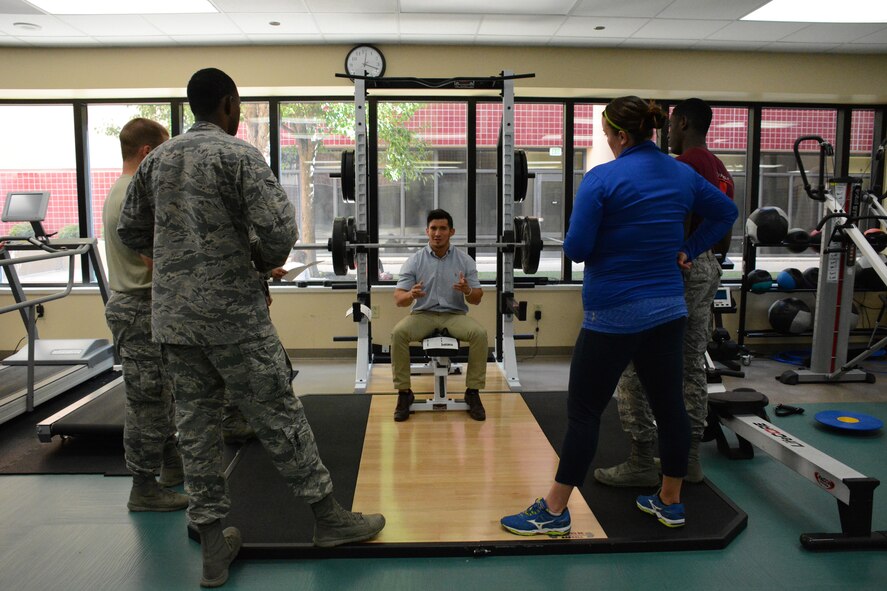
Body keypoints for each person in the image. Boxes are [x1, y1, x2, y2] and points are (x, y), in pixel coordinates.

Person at [117, 68, 384, 588]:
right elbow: (281, 230)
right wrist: (255, 259)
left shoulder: (159, 159)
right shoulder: (237, 156)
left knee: (195, 429)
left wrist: (178, 255)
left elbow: (130, 229)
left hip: (174, 323)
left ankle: (213, 546)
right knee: (280, 415)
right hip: (233, 317)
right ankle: (329, 520)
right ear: (229, 105)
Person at [500, 96, 737, 534]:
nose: (606, 142)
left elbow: (577, 250)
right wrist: (690, 247)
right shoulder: (681, 173)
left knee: (584, 413)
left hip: (612, 317)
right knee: (670, 407)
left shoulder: (602, 179)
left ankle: (553, 511)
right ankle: (670, 500)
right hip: (667, 312)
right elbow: (726, 212)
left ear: (621, 135)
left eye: (607, 135)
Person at [594, 98, 735, 488]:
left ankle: (641, 460)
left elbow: (668, 227)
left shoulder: (685, 165)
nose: (668, 133)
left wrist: (681, 251)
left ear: (683, 122)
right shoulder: (719, 166)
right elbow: (723, 225)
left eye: (671, 125)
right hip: (707, 267)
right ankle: (687, 461)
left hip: (676, 271)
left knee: (636, 367)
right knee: (690, 367)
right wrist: (697, 250)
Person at [102, 118, 187, 512]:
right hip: (138, 307)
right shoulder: (132, 197)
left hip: (143, 306)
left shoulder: (120, 191)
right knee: (148, 400)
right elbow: (155, 261)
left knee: (161, 393)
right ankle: (144, 488)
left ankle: (172, 468)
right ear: (147, 153)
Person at [391, 209, 487, 422]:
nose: (437, 233)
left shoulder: (465, 261)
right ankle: (404, 393)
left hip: (454, 315)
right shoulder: (415, 261)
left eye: (443, 228)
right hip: (423, 314)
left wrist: (467, 291)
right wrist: (410, 294)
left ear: (451, 231)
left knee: (479, 334)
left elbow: (477, 298)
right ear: (427, 231)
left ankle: (472, 392)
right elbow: (399, 299)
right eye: (433, 228)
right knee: (398, 333)